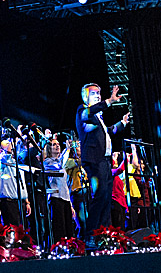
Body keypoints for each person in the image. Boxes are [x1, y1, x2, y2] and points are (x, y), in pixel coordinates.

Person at [75, 83, 129, 236]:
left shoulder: (98, 118)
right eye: (94, 93)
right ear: (85, 97)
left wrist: (123, 123)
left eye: (99, 92)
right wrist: (109, 101)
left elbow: (108, 132)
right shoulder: (83, 111)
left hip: (104, 161)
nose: (98, 95)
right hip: (94, 159)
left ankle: (105, 233)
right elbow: (89, 112)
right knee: (101, 194)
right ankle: (90, 234)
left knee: (106, 197)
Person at [43, 136, 77, 243]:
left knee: (69, 229)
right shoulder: (48, 162)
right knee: (60, 228)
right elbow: (58, 166)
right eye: (54, 144)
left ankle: (70, 250)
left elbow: (65, 185)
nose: (57, 146)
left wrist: (70, 205)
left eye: (58, 144)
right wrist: (66, 150)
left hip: (65, 198)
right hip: (56, 198)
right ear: (49, 149)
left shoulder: (61, 162)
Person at [0, 138, 30, 227]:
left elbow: (22, 184)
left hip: (21, 202)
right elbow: (5, 157)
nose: (11, 144)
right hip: (9, 203)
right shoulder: (0, 159)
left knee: (23, 232)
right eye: (8, 143)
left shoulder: (16, 162)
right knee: (12, 231)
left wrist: (26, 201)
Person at [110, 152, 128, 229]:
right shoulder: (110, 172)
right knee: (118, 226)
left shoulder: (116, 175)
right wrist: (125, 158)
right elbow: (120, 169)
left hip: (120, 202)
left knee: (122, 225)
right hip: (115, 202)